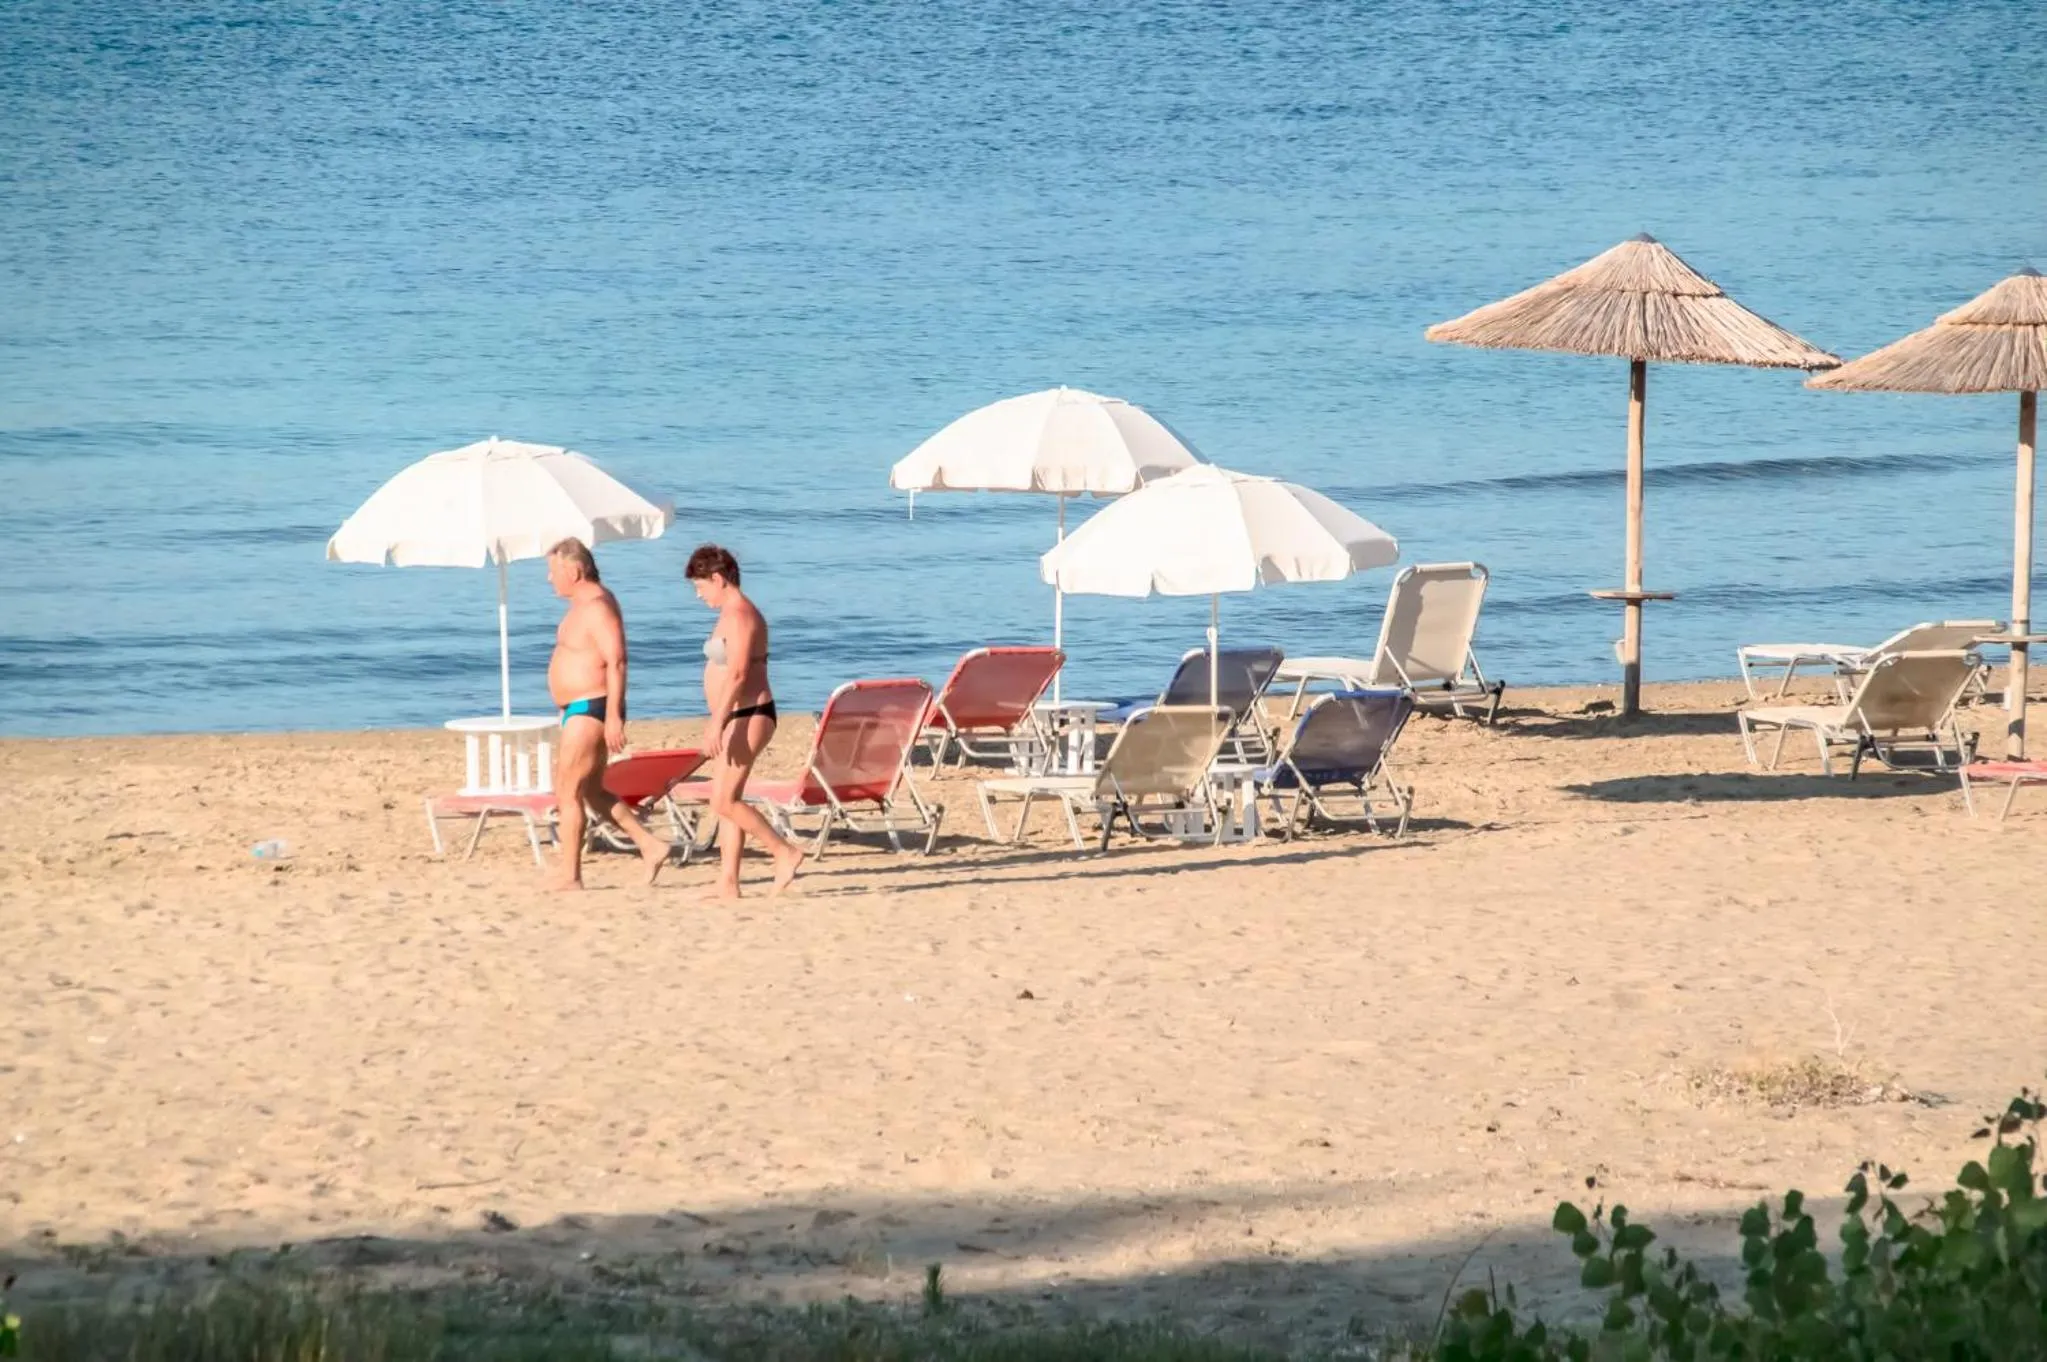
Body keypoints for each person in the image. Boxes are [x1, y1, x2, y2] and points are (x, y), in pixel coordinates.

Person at [546, 538, 670, 890]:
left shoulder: (598, 606)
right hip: (580, 708)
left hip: (593, 706)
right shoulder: (581, 606)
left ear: (574, 571)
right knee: (592, 791)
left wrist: (614, 715)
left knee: (567, 791)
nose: (549, 578)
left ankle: (571, 876)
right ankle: (650, 845)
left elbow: (617, 661)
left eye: (553, 571)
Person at [687, 544, 803, 898]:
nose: (698, 594)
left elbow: (738, 674)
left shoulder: (740, 616)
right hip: (736, 715)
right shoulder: (729, 613)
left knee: (723, 801)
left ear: (718, 578)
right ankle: (728, 882)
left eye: (700, 586)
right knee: (727, 799)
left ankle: (784, 851)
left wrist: (716, 723)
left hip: (748, 713)